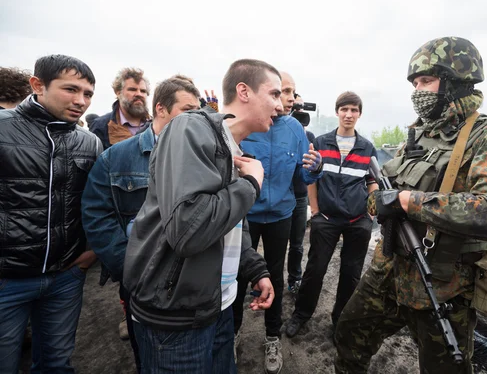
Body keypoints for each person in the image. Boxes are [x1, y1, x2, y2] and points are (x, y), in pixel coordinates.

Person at [334, 36, 487, 373]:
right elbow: (380, 190)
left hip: (442, 285)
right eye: (414, 83)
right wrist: (378, 201)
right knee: (348, 337)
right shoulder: (418, 134)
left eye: (426, 81)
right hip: (388, 270)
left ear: (454, 83)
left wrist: (410, 202)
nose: (417, 91)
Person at [123, 59, 281, 373]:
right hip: (176, 318)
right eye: (274, 94)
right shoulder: (190, 127)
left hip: (217, 306)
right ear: (244, 91)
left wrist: (254, 268)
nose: (280, 105)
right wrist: (251, 184)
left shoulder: (232, 148)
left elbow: (230, 225)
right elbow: (188, 231)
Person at [81, 76, 202, 372]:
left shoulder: (201, 156)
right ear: (160, 109)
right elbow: (97, 215)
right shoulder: (117, 158)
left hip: (188, 278)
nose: (195, 119)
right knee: (146, 353)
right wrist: (129, 266)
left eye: (199, 112)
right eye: (188, 111)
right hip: (138, 280)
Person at [0, 54, 102, 373]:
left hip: (64, 278)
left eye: (87, 94)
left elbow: (96, 205)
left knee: (57, 364)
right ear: (37, 85)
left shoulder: (90, 143)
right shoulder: (3, 130)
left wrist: (90, 253)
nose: (80, 101)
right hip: (7, 280)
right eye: (71, 89)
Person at [232, 72, 323, 374]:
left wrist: (313, 170)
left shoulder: (295, 129)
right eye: (281, 91)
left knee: (275, 275)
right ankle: (232, 334)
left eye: (291, 92)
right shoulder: (247, 125)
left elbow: (301, 177)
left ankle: (272, 336)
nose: (287, 98)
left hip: (280, 215)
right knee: (238, 276)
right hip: (245, 215)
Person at [285, 91, 378, 338]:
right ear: (337, 112)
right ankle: (301, 314)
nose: (349, 114)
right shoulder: (321, 143)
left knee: (351, 275)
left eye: (354, 110)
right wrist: (315, 211)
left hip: (358, 221)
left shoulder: (367, 147)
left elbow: (372, 181)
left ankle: (341, 321)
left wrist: (370, 213)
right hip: (326, 219)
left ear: (359, 114)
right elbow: (311, 179)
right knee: (315, 270)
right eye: (344, 109)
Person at [286, 93, 316, 295]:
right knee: (276, 244)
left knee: (297, 244)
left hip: (299, 196)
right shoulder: (280, 129)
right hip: (281, 194)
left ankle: (294, 279)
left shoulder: (309, 136)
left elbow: (313, 169)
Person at [90, 67, 151, 150]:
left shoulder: (156, 126)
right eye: (132, 89)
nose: (139, 94)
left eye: (143, 91)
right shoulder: (101, 126)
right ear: (118, 92)